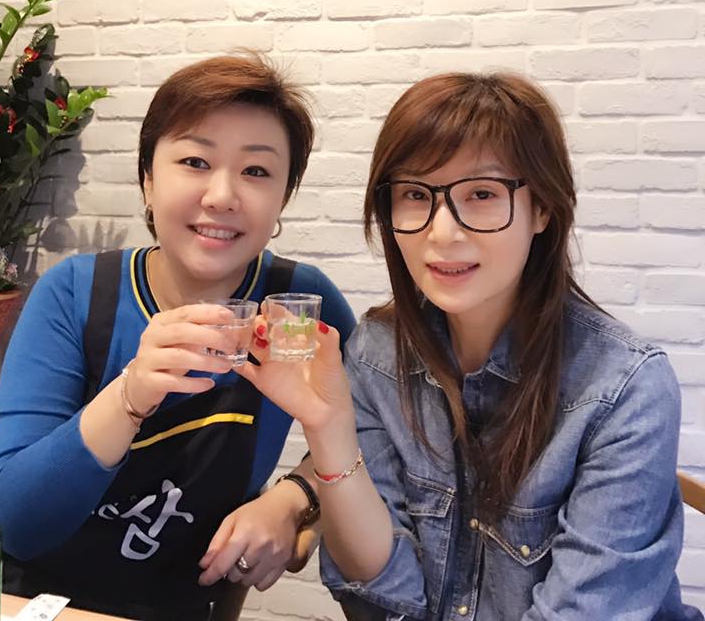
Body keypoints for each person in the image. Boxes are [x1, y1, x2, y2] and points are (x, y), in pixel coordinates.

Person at [230, 71, 703, 621]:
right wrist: (328, 429)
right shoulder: (376, 355)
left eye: (481, 194)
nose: (443, 233)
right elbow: (381, 597)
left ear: (543, 208)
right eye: (415, 195)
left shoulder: (624, 387)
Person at [0, 54, 356, 621]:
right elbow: (15, 523)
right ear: (148, 179)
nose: (222, 195)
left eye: (257, 171)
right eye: (194, 161)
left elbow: (377, 429)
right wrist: (130, 394)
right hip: (41, 603)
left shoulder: (299, 304)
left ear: (283, 197)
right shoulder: (77, 294)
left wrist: (293, 498)